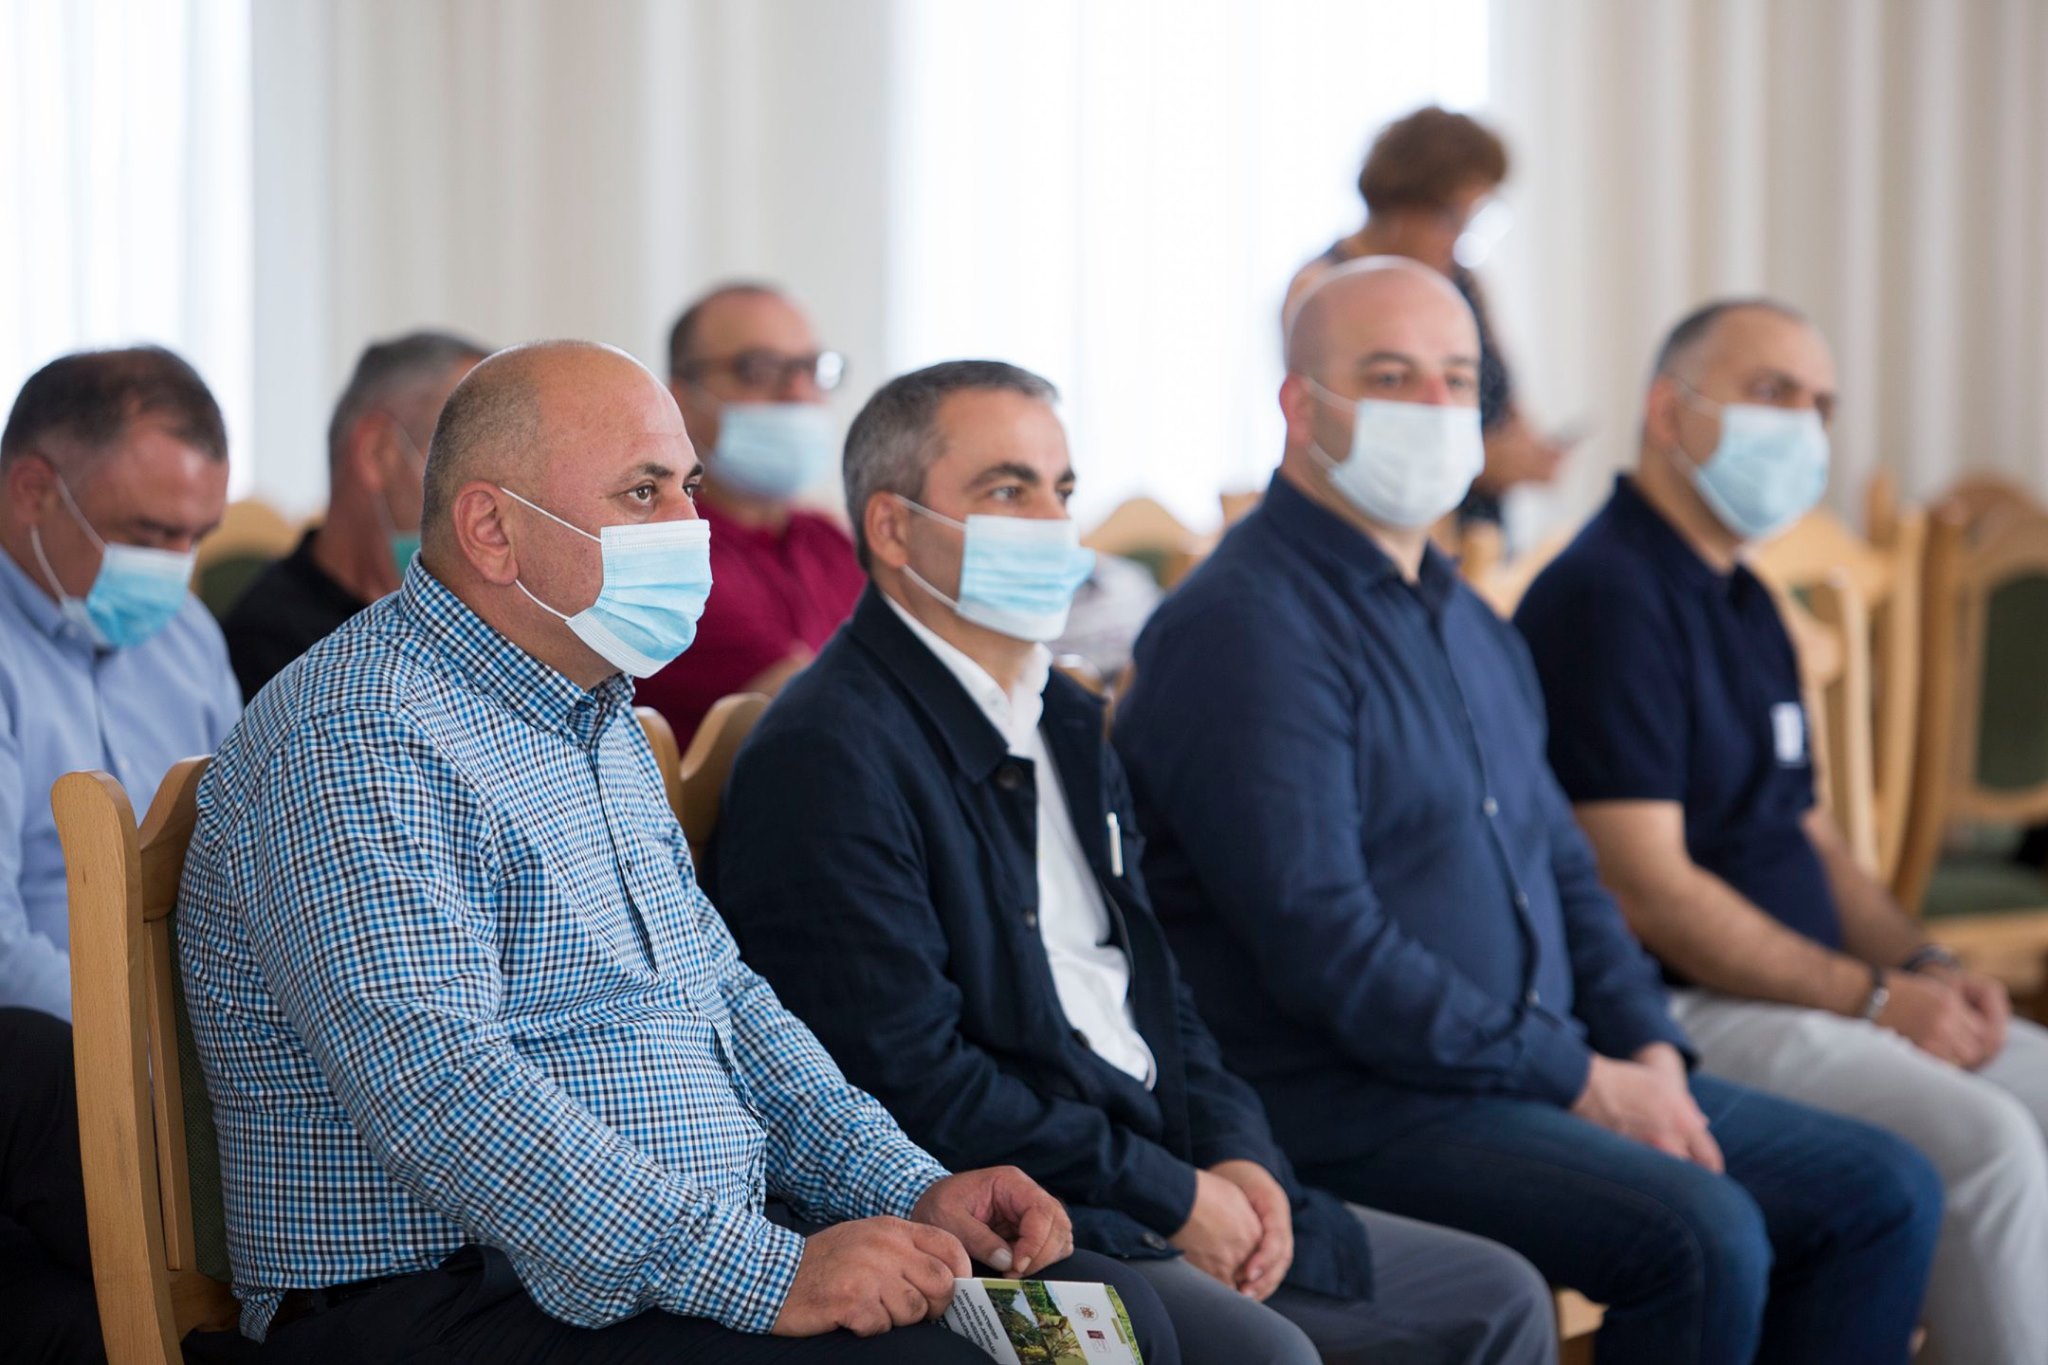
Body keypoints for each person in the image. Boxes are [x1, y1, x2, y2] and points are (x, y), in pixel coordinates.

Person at [176, 340, 1178, 1363]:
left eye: (688, 488)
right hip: (446, 1295)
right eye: (643, 493)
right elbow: (440, 1093)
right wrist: (772, 1273)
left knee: (1104, 1332)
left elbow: (724, 1001)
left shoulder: (590, 709)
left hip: (667, 1262)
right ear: (491, 528)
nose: (690, 529)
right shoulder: (359, 734)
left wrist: (911, 1185)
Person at [1114, 259, 1944, 1365]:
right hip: (1351, 1100)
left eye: (1459, 380)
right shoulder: (1244, 627)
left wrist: (1646, 1045)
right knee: (1702, 1237)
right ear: (1300, 407)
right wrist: (1580, 1079)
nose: (1435, 407)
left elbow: (1562, 865)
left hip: (1521, 1066)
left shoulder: (1469, 620)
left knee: (1883, 1190)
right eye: (1392, 377)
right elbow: (1326, 947)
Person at [710, 360, 1558, 1365]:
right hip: (1025, 1214)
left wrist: (1239, 1158)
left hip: (1159, 1161)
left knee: (1500, 1296)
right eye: (1007, 490)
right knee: (1268, 1355)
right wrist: (1175, 1195)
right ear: (893, 529)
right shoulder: (829, 754)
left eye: (1061, 490)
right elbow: (910, 1080)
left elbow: (1156, 989)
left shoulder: (1067, 719)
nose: (1049, 523)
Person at [1516, 297, 2048, 1365]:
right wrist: (1875, 998)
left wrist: (1927, 965)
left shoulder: (1746, 599)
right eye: (1772, 393)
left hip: (1811, 990)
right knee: (1985, 1143)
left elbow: (1812, 838)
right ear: (1668, 412)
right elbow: (1646, 889)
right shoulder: (1606, 597)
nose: (1803, 425)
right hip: (1683, 1003)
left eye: (1819, 403)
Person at [0, 345, 242, 1362]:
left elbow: (239, 869)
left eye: (197, 537)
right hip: (54, 1065)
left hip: (187, 1058)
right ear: (32, 490)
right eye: (148, 533)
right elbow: (2, 953)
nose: (174, 568)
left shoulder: (187, 637)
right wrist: (156, 1053)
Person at [1285, 106, 1563, 524]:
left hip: (1474, 528)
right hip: (1366, 525)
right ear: (1400, 207)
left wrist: (1528, 453)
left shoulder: (1464, 283)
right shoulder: (1322, 288)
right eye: (1450, 218)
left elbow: (1507, 400)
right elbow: (1325, 432)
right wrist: (1483, 462)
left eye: (1475, 218)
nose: (1459, 238)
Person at [633, 283, 862, 747]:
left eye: (810, 369)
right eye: (759, 369)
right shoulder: (664, 556)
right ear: (681, 398)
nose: (798, 393)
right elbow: (829, 709)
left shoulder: (829, 540)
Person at [221, 330, 487, 698]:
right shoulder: (274, 652)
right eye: (472, 463)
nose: (494, 504)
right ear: (379, 453)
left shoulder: (467, 625)